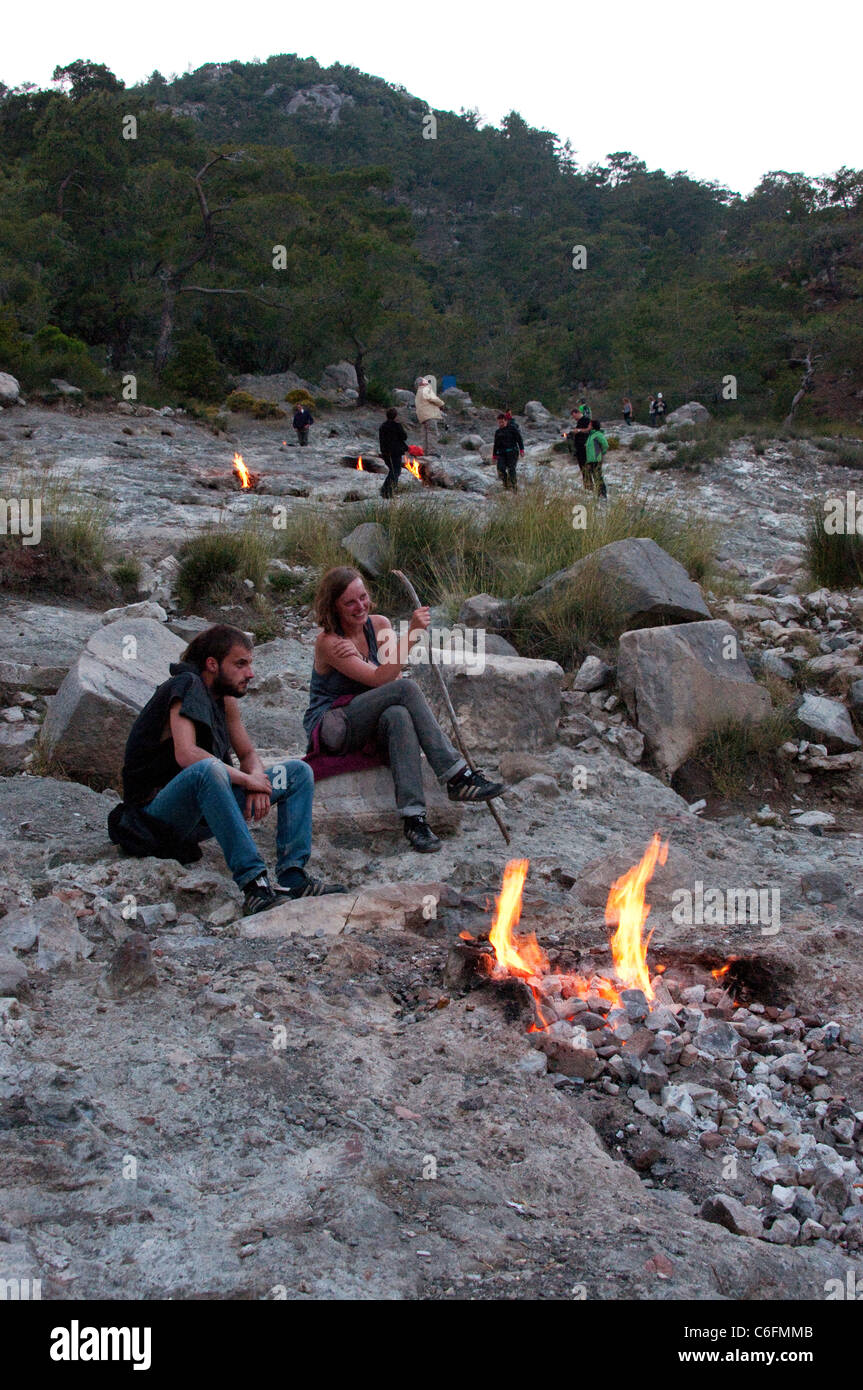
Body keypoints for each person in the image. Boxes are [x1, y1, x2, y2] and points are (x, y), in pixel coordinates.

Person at [113, 625, 342, 915]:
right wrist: (248, 781)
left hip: (203, 811)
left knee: (297, 772)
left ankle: (293, 877)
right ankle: (255, 885)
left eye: (250, 663)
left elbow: (247, 753)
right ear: (212, 664)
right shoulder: (186, 685)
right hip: (156, 817)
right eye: (240, 664)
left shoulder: (225, 700)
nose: (250, 673)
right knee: (208, 769)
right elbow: (187, 754)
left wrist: (257, 779)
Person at [303, 568, 506, 853]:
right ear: (333, 606)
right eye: (350, 602)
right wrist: (412, 634)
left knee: (398, 714)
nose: (360, 606)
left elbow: (391, 678)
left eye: (363, 597)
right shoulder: (330, 643)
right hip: (334, 727)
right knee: (406, 689)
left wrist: (397, 655)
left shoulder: (379, 625)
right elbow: (380, 679)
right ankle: (456, 775)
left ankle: (414, 819)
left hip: (371, 722)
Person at [379, 406, 408, 500]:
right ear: (395, 416)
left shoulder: (382, 426)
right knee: (396, 471)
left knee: (392, 470)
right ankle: (388, 491)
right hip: (395, 452)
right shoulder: (397, 426)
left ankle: (385, 490)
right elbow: (404, 437)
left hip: (385, 453)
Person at [492, 412, 525, 491]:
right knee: (500, 469)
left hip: (512, 452)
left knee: (511, 469)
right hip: (502, 453)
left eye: (502, 422)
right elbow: (496, 444)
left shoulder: (512, 429)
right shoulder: (498, 432)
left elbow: (519, 439)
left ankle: (514, 486)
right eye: (499, 422)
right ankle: (505, 484)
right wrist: (494, 456)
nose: (501, 424)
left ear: (506, 421)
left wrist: (522, 449)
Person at [414, 376, 446, 456]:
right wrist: (442, 404)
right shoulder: (425, 389)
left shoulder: (418, 393)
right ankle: (432, 452)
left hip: (422, 417)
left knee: (424, 435)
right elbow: (433, 399)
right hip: (430, 416)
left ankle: (424, 452)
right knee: (432, 433)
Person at [583, 419, 610, 497]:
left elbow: (605, 444)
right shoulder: (591, 435)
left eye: (589, 425)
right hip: (590, 459)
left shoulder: (598, 434)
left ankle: (603, 494)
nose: (588, 426)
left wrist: (602, 453)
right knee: (595, 476)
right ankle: (599, 493)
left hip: (596, 459)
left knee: (598, 476)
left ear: (592, 426)